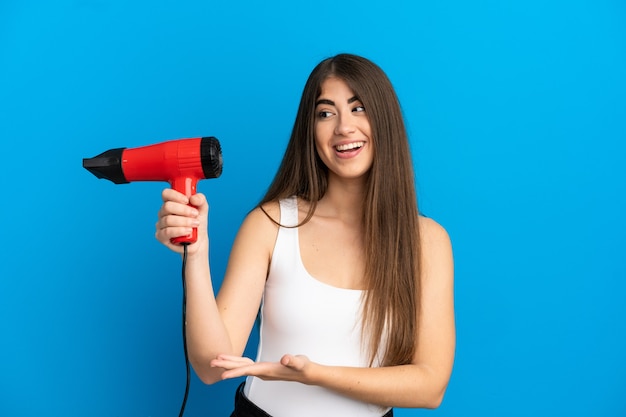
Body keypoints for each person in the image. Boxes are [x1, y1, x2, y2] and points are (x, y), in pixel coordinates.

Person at [155, 53, 455, 417]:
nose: (343, 127)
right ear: (310, 130)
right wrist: (197, 255)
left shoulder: (427, 242)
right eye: (325, 113)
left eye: (358, 109)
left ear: (385, 120)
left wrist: (315, 374)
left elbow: (430, 385)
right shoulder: (270, 224)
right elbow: (211, 367)